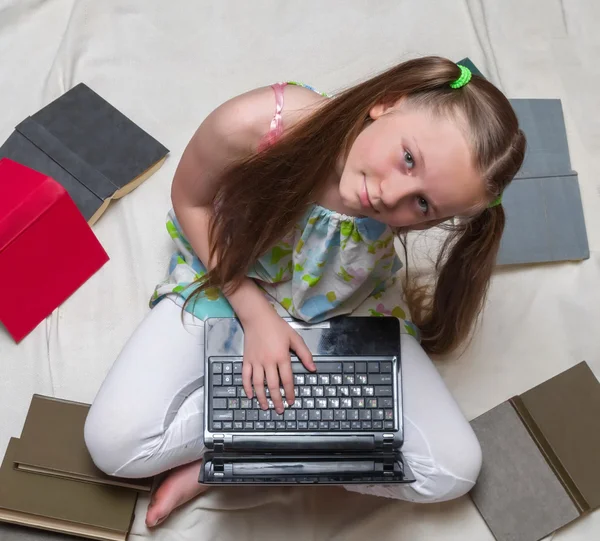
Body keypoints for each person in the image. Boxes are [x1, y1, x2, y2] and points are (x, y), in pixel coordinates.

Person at [83, 56, 526, 528]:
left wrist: (243, 455)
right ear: (386, 102)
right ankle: (261, 439)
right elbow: (189, 201)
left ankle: (241, 462)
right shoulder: (260, 124)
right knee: (114, 444)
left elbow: (448, 471)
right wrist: (255, 317)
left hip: (344, 302)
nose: (389, 196)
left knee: (452, 470)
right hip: (230, 278)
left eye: (422, 204)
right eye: (408, 158)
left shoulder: (395, 194)